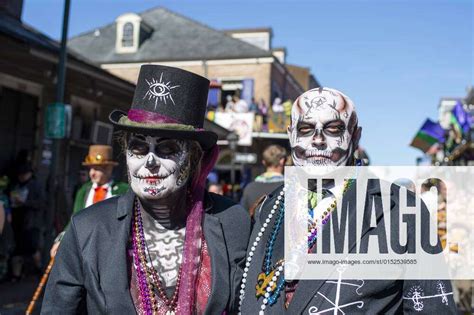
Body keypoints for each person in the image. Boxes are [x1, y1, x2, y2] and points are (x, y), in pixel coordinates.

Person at [42, 65, 251, 314]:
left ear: (194, 158)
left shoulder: (232, 221)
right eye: (139, 148)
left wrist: (308, 180)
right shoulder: (88, 228)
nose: (150, 162)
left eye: (167, 149)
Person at [238, 87, 457, 314]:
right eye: (305, 129)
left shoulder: (401, 209)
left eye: (333, 129)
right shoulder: (269, 208)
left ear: (355, 135)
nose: (318, 140)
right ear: (291, 134)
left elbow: (433, 307)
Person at [49, 145, 128, 258]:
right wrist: (61, 239)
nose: (92, 173)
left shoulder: (123, 190)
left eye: (96, 168)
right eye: (90, 168)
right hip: (84, 245)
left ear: (108, 169)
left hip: (111, 248)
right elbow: (75, 218)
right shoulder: (84, 190)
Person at [9, 164, 46, 279]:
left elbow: (41, 203)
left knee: (32, 248)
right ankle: (17, 274)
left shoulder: (36, 186)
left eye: (24, 174)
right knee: (18, 250)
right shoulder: (16, 185)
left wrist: (25, 203)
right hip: (18, 221)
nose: (22, 177)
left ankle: (39, 269)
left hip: (31, 222)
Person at [240, 145, 287, 213]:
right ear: (282, 161)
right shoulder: (290, 188)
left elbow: (243, 216)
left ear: (264, 162)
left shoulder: (249, 187)